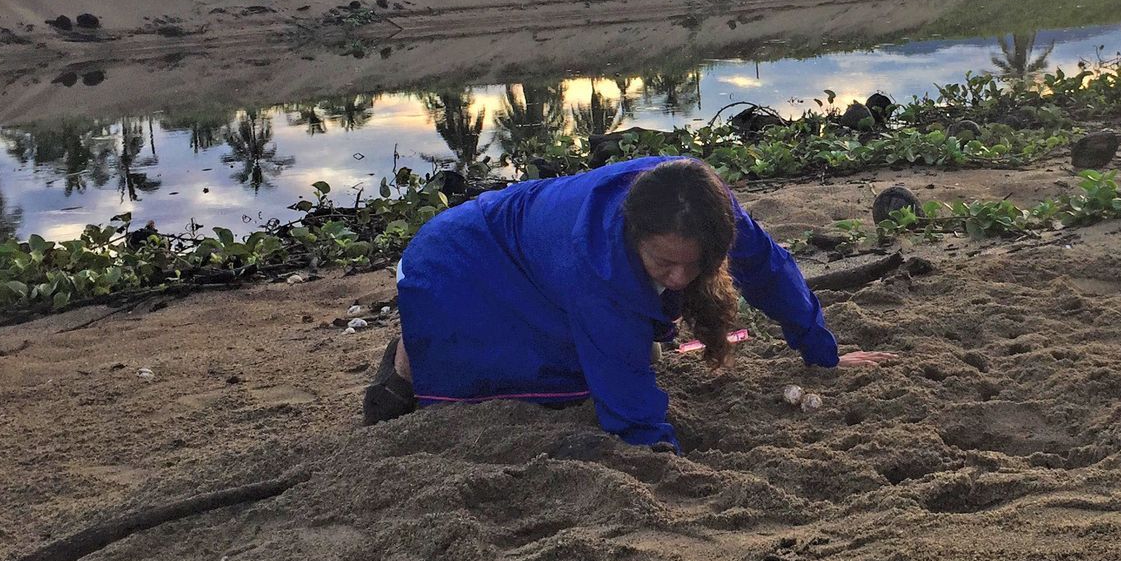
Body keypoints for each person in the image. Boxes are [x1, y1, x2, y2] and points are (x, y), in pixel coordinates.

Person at [364, 156, 890, 449]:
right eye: (664, 263)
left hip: (538, 255)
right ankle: (405, 366)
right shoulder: (597, 262)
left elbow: (771, 272)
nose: (680, 277)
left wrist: (823, 353)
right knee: (556, 383)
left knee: (617, 343)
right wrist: (659, 448)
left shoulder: (710, 209)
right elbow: (626, 400)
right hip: (455, 261)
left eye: (694, 264)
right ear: (633, 233)